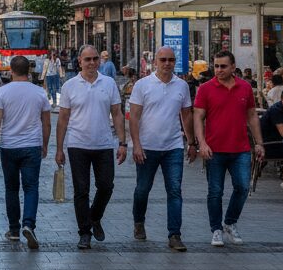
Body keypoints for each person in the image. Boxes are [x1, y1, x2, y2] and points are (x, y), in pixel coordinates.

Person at [56, 45, 126, 249]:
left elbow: (118, 113)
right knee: (81, 190)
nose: (92, 62)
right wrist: (59, 148)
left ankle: (95, 216)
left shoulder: (109, 83)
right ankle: (84, 232)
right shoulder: (70, 85)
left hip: (104, 143)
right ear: (80, 61)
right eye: (88, 59)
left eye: (95, 58)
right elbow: (62, 119)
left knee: (106, 186)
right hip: (77, 144)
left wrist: (122, 142)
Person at [193, 51, 263, 248]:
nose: (218, 70)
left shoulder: (245, 88)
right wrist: (202, 143)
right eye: (216, 66)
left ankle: (230, 223)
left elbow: (252, 116)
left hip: (240, 148)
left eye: (223, 66)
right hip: (214, 149)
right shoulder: (206, 89)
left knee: (242, 187)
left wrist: (259, 142)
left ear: (233, 67)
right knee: (215, 191)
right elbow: (198, 117)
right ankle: (216, 229)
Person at [128, 47, 196, 252]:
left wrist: (191, 142)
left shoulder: (182, 86)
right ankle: (138, 222)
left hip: (173, 146)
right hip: (147, 147)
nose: (167, 63)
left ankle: (174, 234)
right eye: (163, 60)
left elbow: (186, 115)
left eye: (171, 60)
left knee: (174, 190)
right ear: (155, 62)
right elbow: (134, 117)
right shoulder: (142, 85)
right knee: (142, 190)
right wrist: (136, 145)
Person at [0, 55, 50, 248]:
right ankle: (29, 224)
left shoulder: (2, 92)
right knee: (31, 188)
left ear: (11, 71)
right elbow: (46, 122)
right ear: (29, 71)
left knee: (12, 189)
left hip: (9, 146)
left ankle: (14, 229)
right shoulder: (39, 92)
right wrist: (45, 145)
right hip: (32, 145)